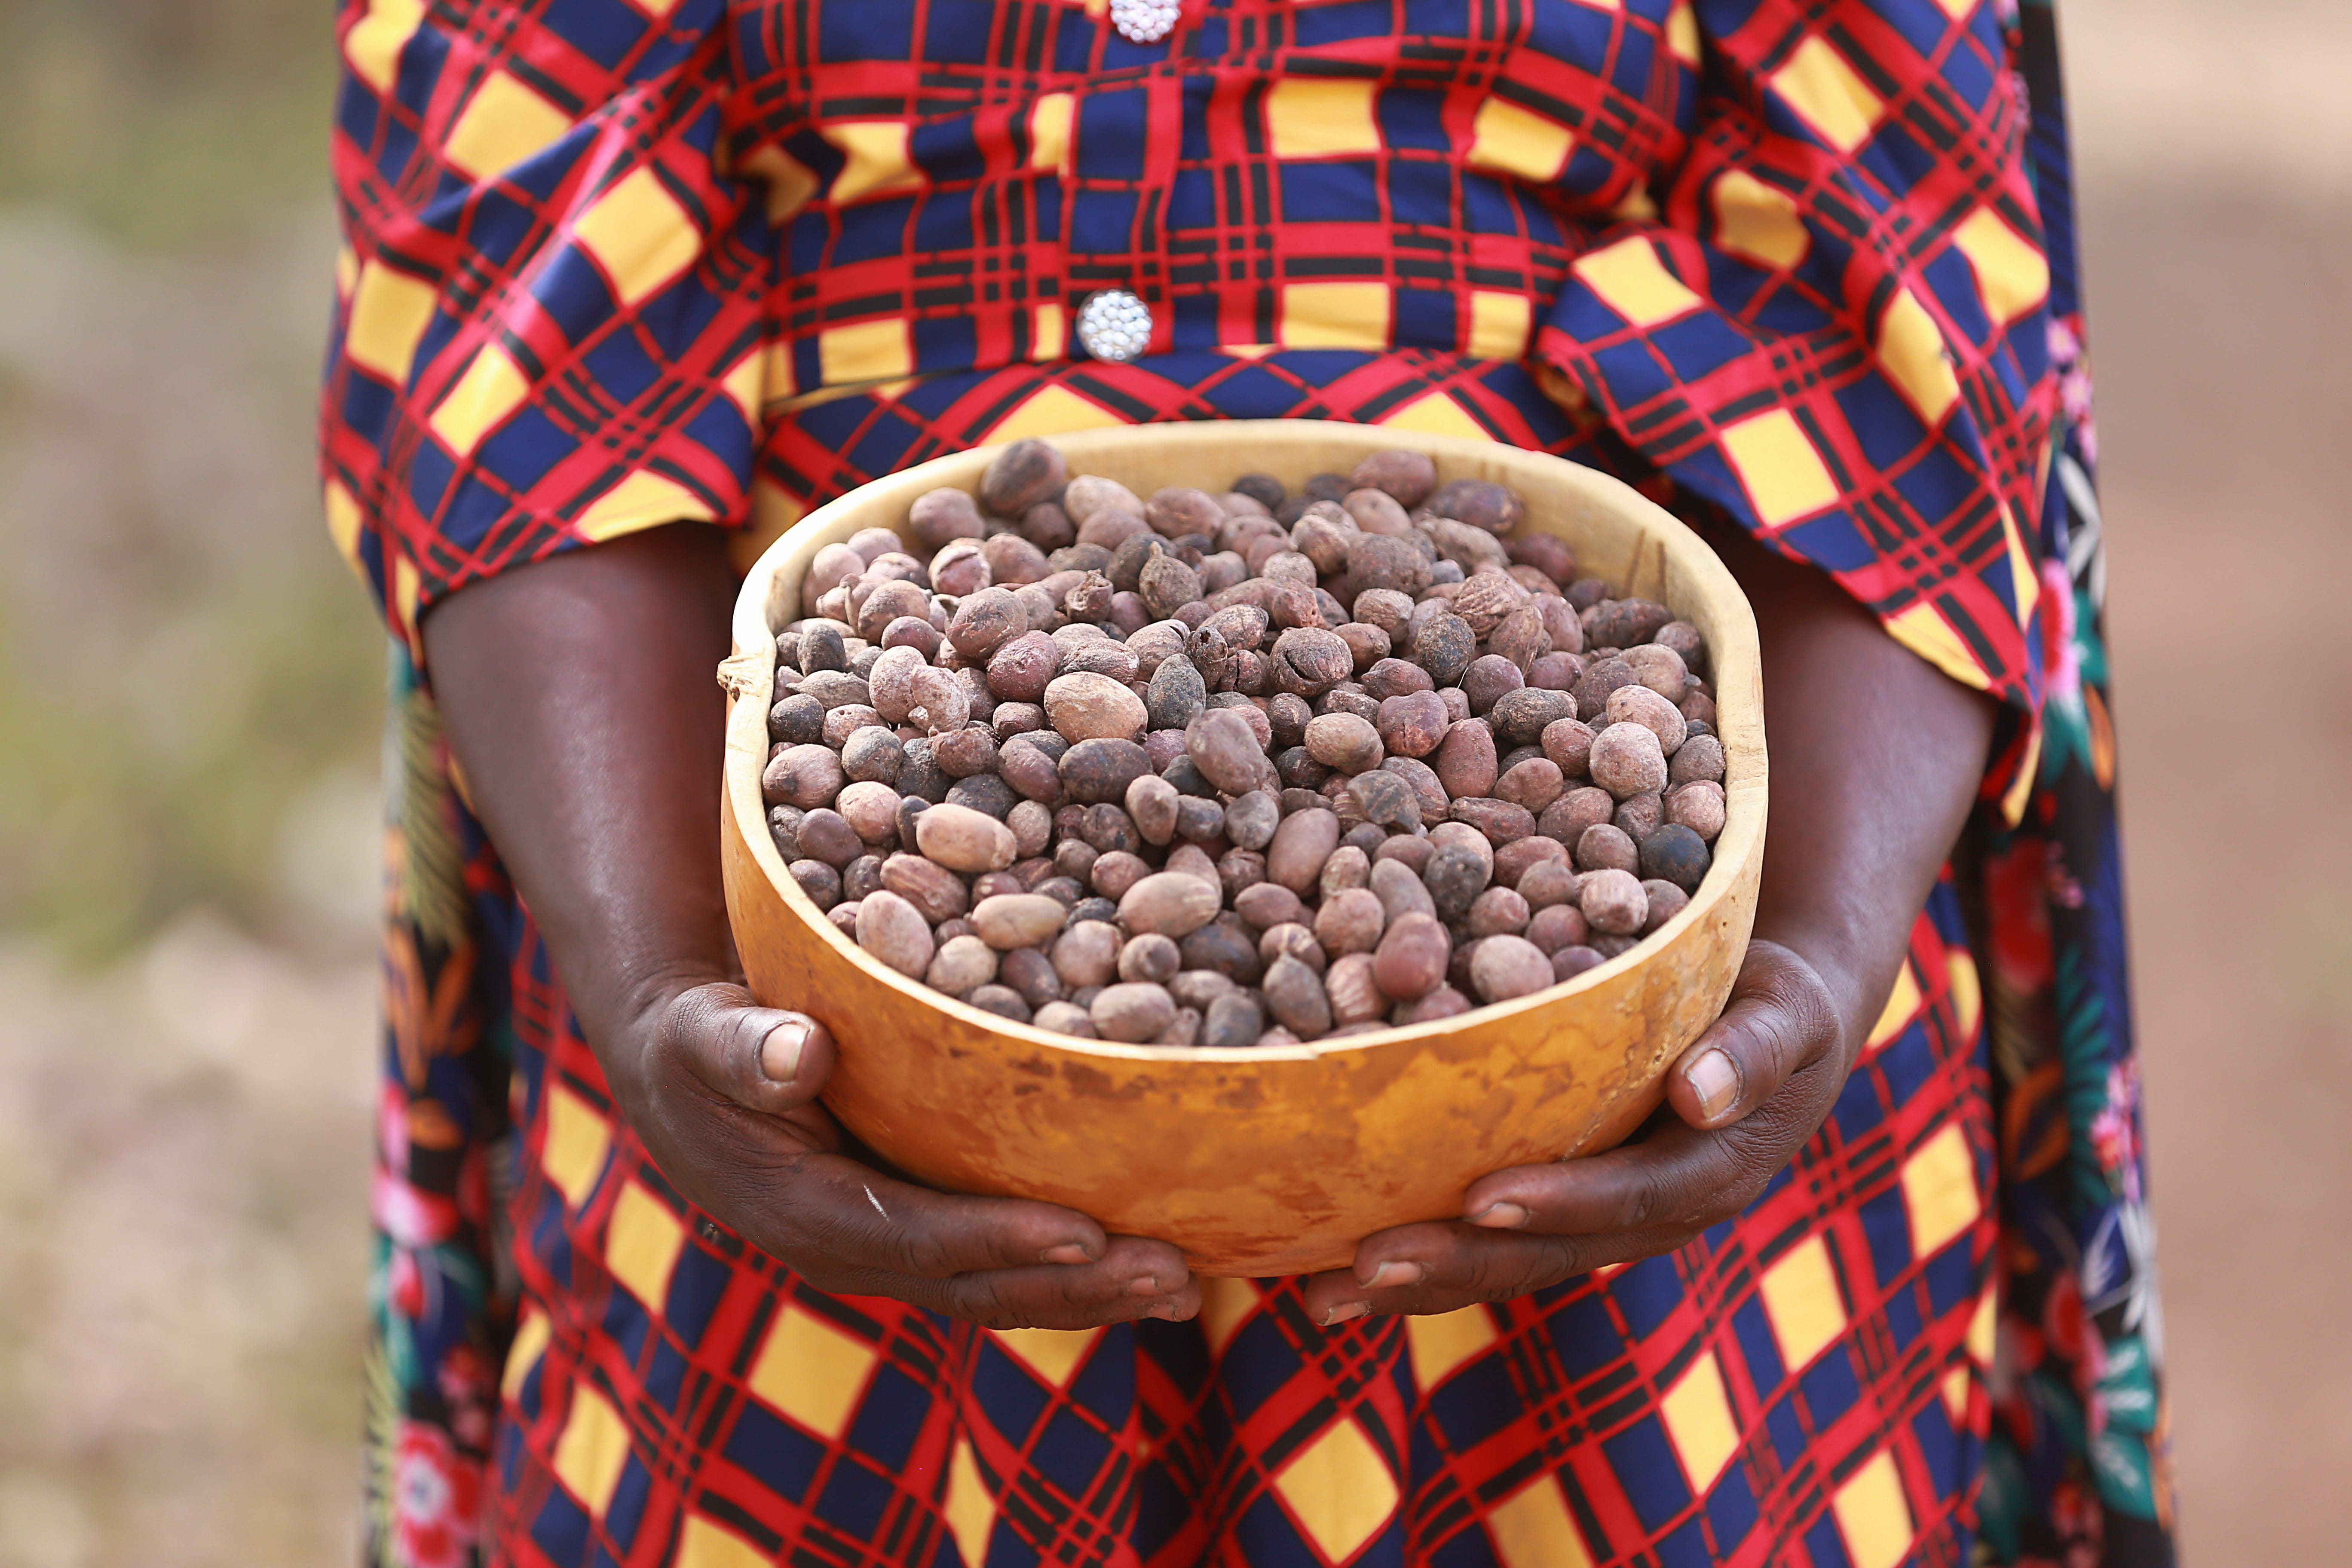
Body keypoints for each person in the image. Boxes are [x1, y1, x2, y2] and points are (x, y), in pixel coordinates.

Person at [322, 0, 2170, 1562]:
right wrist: (662, 969)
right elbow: (520, 309)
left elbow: (1895, 301)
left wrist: (1806, 962)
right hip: (808, 1048)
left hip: (1627, 1159)